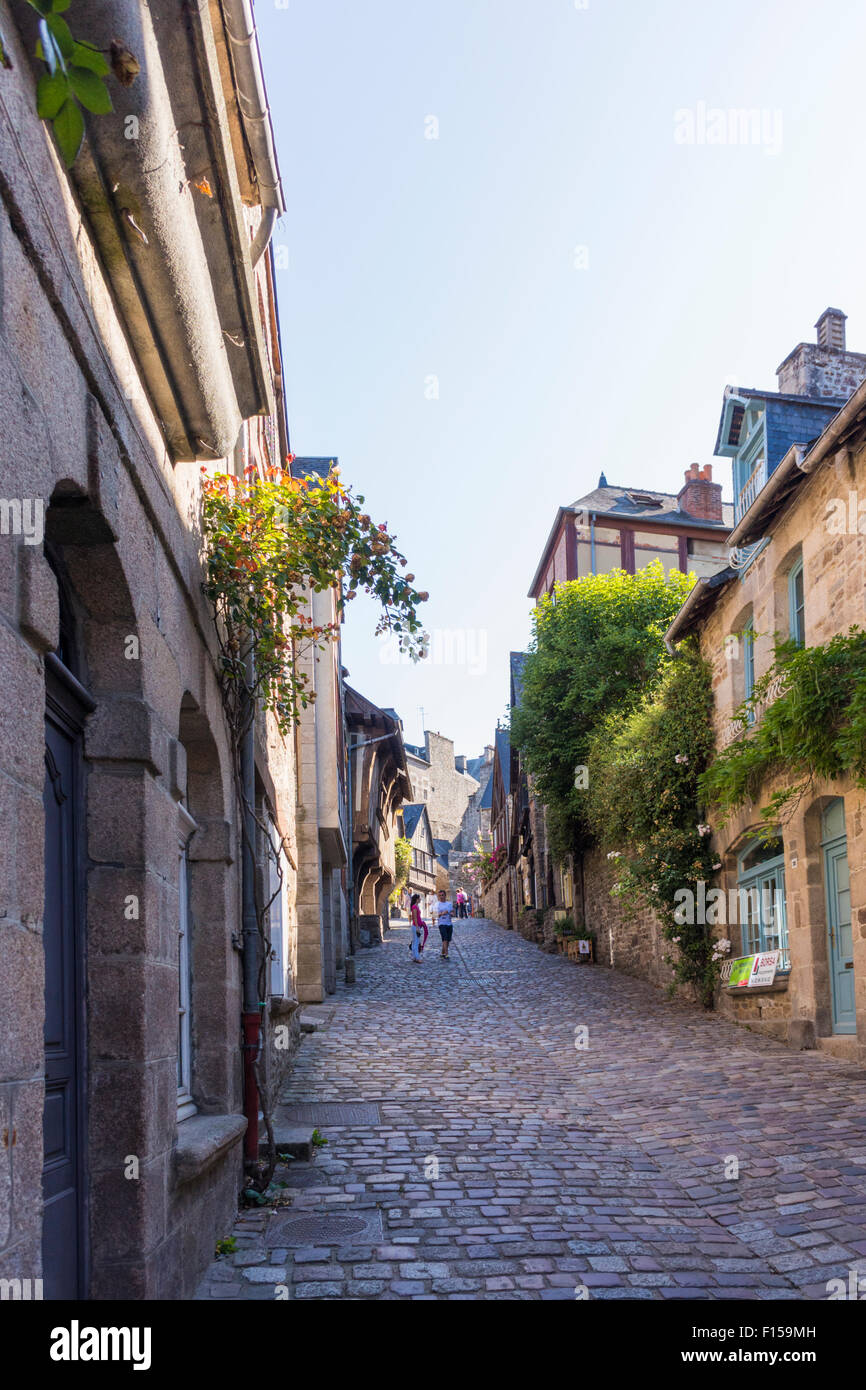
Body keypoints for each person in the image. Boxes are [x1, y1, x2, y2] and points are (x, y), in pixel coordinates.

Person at [436, 887, 454, 959]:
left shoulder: (449, 904)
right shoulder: (437, 904)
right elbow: (434, 915)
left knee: (448, 940)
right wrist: (442, 913)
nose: (441, 897)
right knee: (445, 938)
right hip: (441, 923)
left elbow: (452, 912)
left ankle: (442, 953)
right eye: (440, 895)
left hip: (449, 924)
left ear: (445, 896)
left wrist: (452, 914)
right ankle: (446, 954)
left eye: (442, 895)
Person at [408, 894, 425, 964]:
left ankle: (415, 957)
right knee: (416, 942)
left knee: (415, 942)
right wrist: (417, 927)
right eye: (419, 898)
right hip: (415, 926)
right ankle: (417, 958)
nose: (420, 899)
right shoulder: (414, 907)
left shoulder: (416, 906)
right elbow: (414, 918)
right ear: (417, 899)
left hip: (417, 926)